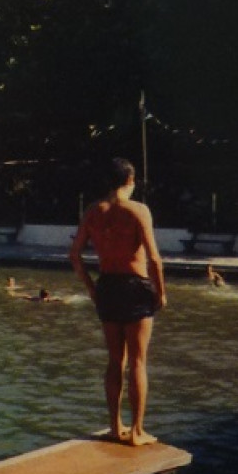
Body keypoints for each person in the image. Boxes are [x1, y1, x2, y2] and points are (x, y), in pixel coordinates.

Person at [69, 158, 165, 446]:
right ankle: (137, 431)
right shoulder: (138, 210)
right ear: (130, 181)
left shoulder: (93, 212)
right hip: (135, 286)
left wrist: (91, 288)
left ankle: (115, 427)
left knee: (115, 361)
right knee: (137, 361)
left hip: (107, 286)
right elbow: (155, 259)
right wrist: (161, 293)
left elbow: (74, 256)